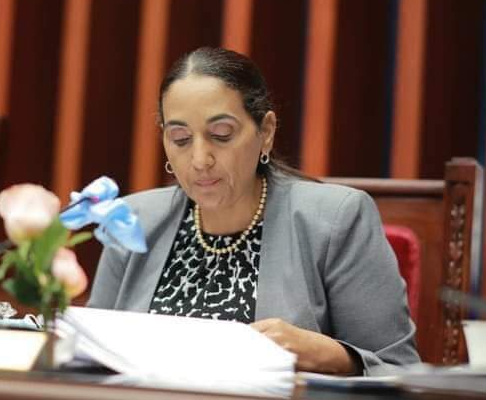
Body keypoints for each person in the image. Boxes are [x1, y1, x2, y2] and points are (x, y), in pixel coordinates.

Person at [88, 47, 420, 375]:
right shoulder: (133, 219)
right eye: (181, 138)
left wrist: (331, 356)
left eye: (221, 134)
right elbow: (89, 356)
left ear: (266, 132)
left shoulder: (336, 219)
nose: (200, 160)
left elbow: (399, 371)